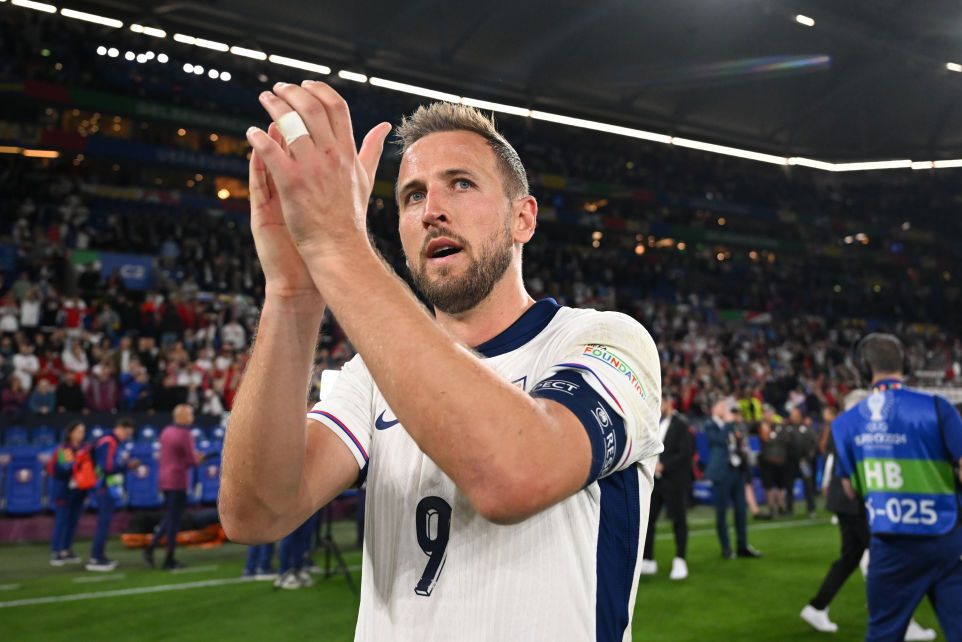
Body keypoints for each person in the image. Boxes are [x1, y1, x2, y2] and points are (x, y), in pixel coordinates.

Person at [222, 89, 662, 641]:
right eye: (411, 196)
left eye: (461, 183)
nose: (431, 210)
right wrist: (292, 294)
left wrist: (338, 247)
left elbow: (517, 474)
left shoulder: (604, 341)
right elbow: (256, 512)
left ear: (522, 218)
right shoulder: (370, 376)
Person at [832, 334, 962, 642]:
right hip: (949, 539)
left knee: (883, 634)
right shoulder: (935, 406)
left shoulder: (845, 423)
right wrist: (957, 483)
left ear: (863, 369)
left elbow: (850, 490)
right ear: (905, 364)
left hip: (891, 546)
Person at [800, 396, 936, 641]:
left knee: (850, 558)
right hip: (857, 500)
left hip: (843, 502)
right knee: (889, 559)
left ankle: (817, 607)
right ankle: (900, 623)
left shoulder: (841, 426)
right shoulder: (858, 428)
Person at [641, 396, 694, 580]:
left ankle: (680, 560)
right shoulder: (653, 423)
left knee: (679, 521)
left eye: (661, 403)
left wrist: (664, 465)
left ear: (669, 403)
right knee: (648, 521)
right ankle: (647, 559)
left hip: (675, 481)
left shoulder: (680, 423)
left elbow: (685, 452)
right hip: (656, 481)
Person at [145, 404, 201, 570]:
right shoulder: (185, 434)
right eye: (190, 414)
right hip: (178, 480)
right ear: (182, 416)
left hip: (164, 479)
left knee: (170, 517)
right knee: (173, 521)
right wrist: (199, 459)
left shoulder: (166, 431)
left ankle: (152, 547)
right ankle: (168, 558)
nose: (192, 417)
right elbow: (192, 460)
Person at [704, 398, 760, 559]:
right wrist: (729, 424)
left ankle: (742, 545)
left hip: (736, 471)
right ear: (714, 409)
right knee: (722, 512)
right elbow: (718, 441)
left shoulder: (733, 425)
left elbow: (738, 444)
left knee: (741, 510)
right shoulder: (710, 425)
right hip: (721, 473)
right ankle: (726, 548)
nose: (725, 409)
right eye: (721, 406)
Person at [87, 418, 139, 572]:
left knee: (104, 523)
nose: (127, 437)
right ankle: (96, 558)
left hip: (105, 487)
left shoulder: (110, 441)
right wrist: (127, 465)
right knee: (103, 523)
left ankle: (99, 555)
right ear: (120, 428)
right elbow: (107, 467)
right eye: (127, 433)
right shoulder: (109, 442)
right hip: (104, 487)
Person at [48, 421, 88, 566]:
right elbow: (62, 470)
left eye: (83, 431)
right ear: (71, 433)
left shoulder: (84, 448)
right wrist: (79, 462)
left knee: (73, 521)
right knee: (61, 521)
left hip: (79, 491)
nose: (81, 434)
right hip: (64, 490)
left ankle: (67, 549)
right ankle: (56, 551)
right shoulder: (63, 449)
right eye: (78, 431)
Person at [757, 418, 788, 518]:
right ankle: (771, 507)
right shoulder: (762, 427)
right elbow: (764, 437)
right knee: (769, 485)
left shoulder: (781, 429)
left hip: (781, 461)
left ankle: (781, 506)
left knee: (781, 485)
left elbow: (787, 440)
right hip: (768, 462)